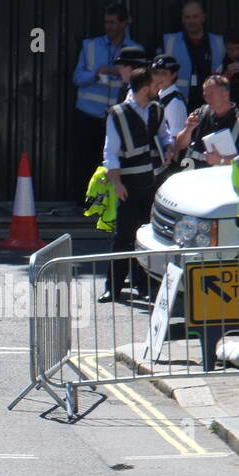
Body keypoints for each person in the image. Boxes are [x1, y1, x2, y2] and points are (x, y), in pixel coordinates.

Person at [100, 68, 170, 303]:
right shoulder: (117, 113)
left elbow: (164, 136)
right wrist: (117, 183)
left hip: (151, 182)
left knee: (147, 236)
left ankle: (143, 285)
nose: (158, 88)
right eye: (155, 85)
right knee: (123, 237)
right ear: (144, 88)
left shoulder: (156, 109)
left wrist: (169, 148)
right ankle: (114, 286)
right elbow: (110, 152)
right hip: (128, 185)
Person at [72, 4, 135, 189]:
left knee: (112, 160)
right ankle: (83, 203)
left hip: (117, 116)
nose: (108, 27)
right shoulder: (90, 45)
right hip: (89, 114)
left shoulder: (133, 49)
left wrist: (121, 73)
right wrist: (97, 73)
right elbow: (77, 77)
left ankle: (107, 202)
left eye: (113, 22)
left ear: (124, 23)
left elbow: (139, 81)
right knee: (86, 160)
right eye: (106, 22)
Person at [162, 1, 225, 111]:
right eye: (187, 17)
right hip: (180, 106)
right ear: (182, 19)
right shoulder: (168, 41)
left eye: (195, 17)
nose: (191, 21)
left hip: (211, 107)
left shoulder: (219, 43)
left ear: (203, 17)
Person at [176, 74, 239, 167]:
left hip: (222, 179)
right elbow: (181, 145)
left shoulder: (237, 120)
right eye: (205, 95)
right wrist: (188, 129)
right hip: (195, 175)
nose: (207, 99)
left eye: (211, 94)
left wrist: (221, 161)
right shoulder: (201, 113)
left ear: (225, 94)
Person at [153, 56, 189, 153]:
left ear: (173, 75)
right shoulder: (158, 96)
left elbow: (176, 138)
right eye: (157, 73)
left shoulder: (175, 102)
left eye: (163, 73)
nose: (159, 77)